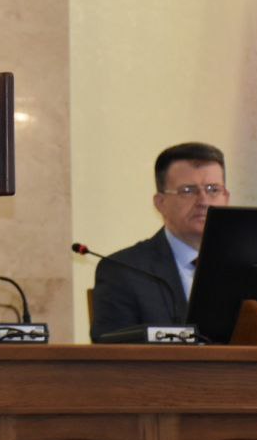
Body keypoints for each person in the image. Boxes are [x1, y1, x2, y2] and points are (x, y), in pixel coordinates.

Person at [89, 142, 230, 342]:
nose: (203, 201)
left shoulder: (246, 266)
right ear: (160, 203)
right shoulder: (124, 271)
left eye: (213, 189)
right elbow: (112, 352)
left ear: (226, 198)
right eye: (188, 190)